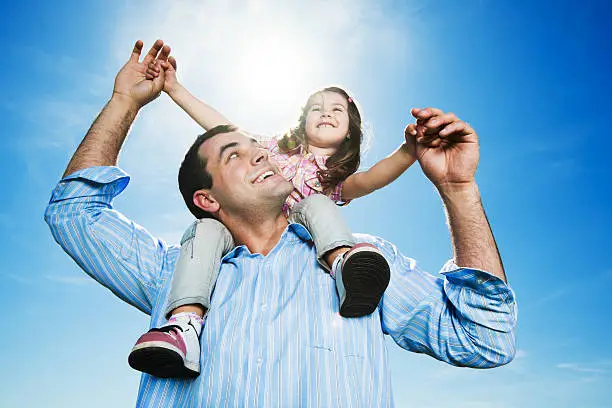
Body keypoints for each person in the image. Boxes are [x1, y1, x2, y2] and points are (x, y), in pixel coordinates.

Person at [45, 40, 517, 407]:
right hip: (195, 278)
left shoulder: (372, 264)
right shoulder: (178, 272)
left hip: (339, 255)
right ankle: (185, 329)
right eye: (236, 154)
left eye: (259, 149)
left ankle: (339, 260)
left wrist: (456, 188)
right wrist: (130, 99)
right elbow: (74, 213)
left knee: (329, 225)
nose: (260, 154)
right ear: (206, 198)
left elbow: (485, 338)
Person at [127, 54, 419, 378]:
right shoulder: (270, 150)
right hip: (239, 236)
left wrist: (409, 152)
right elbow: (219, 126)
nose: (325, 113)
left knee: (316, 205)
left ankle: (344, 267)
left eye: (337, 109)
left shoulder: (331, 179)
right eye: (317, 108)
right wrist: (175, 89)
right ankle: (184, 326)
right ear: (302, 121)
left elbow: (371, 179)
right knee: (205, 229)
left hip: (292, 240)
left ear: (350, 131)